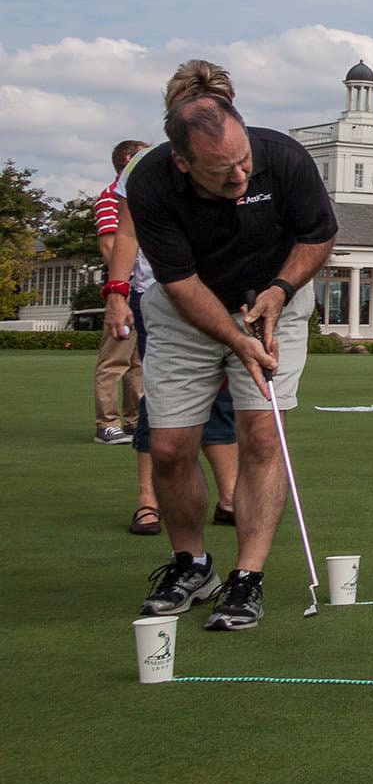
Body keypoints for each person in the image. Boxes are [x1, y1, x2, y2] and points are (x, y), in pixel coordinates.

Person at [124, 60, 337, 631]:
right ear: (183, 162)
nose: (241, 175)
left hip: (274, 302)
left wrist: (280, 290)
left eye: (244, 161)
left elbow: (318, 235)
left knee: (261, 433)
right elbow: (179, 283)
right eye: (223, 171)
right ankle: (191, 565)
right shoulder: (149, 182)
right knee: (169, 445)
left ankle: (247, 577)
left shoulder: (284, 158)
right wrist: (237, 340)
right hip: (187, 310)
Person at [100, 141, 243, 536]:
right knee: (161, 399)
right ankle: (148, 500)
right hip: (158, 295)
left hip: (217, 294)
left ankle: (229, 498)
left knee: (223, 396)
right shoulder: (145, 166)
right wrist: (117, 294)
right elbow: (126, 233)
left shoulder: (225, 156)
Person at [92, 141, 144, 445]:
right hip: (125, 290)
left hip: (143, 289)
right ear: (127, 160)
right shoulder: (110, 197)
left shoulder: (141, 195)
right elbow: (109, 244)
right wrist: (120, 287)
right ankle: (107, 423)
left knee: (137, 361)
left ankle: (135, 420)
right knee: (115, 358)